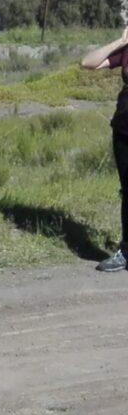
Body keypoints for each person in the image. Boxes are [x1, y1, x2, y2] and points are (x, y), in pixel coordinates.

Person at [80, 24, 128, 273]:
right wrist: (119, 42)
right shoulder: (126, 49)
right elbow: (88, 63)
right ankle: (126, 251)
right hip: (123, 129)